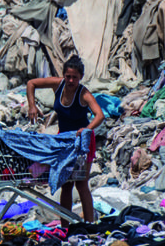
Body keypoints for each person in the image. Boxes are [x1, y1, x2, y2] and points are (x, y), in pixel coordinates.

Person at [26, 55, 104, 226]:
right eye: (68, 76)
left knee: (81, 184)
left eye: (74, 77)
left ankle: (89, 225)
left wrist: (87, 128)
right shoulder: (58, 84)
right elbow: (31, 83)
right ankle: (65, 227)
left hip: (81, 143)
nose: (70, 80)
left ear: (80, 77)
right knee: (66, 185)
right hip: (64, 142)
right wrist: (32, 105)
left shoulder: (83, 94)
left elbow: (100, 115)